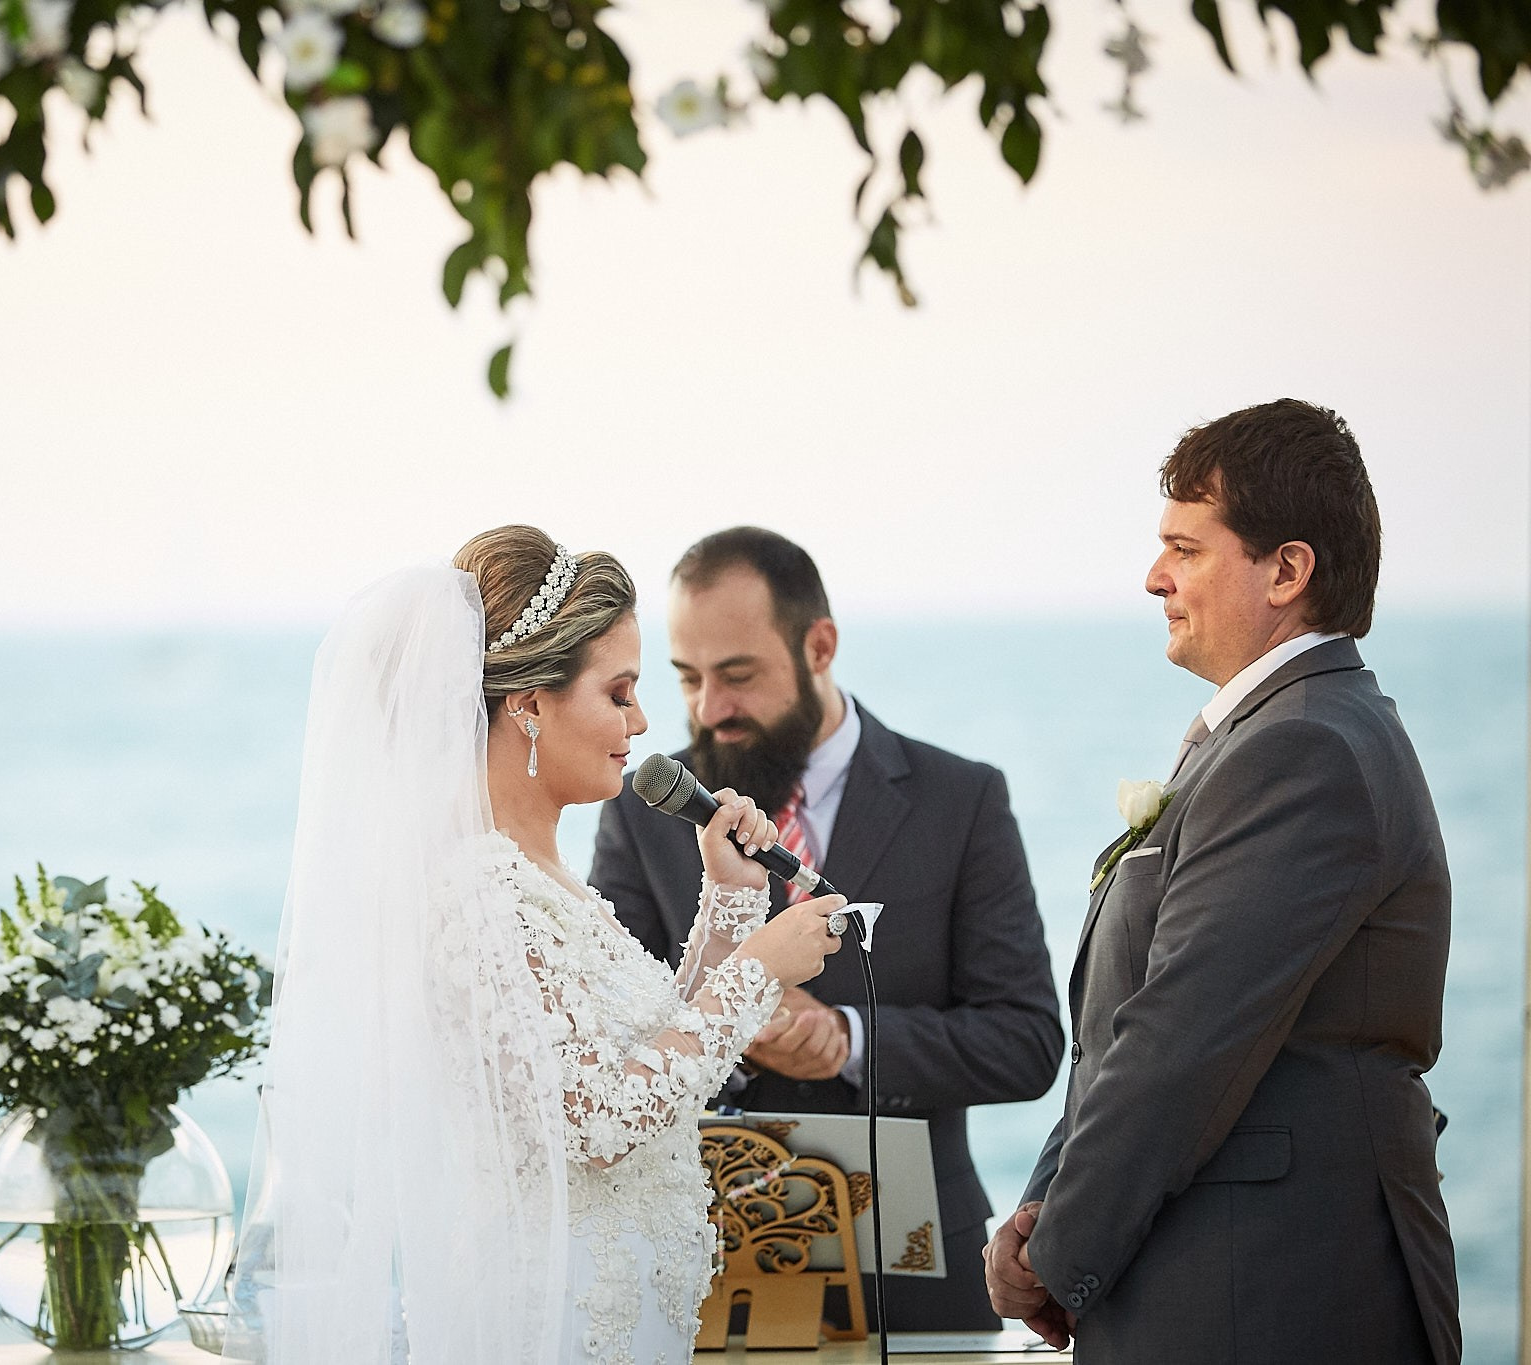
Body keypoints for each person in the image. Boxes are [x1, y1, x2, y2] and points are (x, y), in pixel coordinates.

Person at [231, 525, 848, 1365]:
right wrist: (756, 969)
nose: (641, 720)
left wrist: (732, 900)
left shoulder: (545, 877)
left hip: (631, 1313)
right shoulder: (471, 893)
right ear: (528, 703)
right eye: (619, 691)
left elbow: (657, 1061)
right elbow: (596, 1122)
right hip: (554, 1316)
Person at [985, 400, 1461, 1363]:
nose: (1155, 577)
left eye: (1186, 549)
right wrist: (1042, 1207)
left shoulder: (1306, 748)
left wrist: (1063, 1249)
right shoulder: (1267, 736)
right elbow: (1122, 1035)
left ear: (1287, 569)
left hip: (1272, 1297)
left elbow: (1182, 1041)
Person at [591, 526, 1063, 1330]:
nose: (711, 709)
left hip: (913, 1272)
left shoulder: (962, 799)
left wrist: (848, 1039)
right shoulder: (646, 811)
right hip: (704, 1271)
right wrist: (730, 1042)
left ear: (820, 645)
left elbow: (1027, 1041)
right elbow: (617, 1034)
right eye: (689, 678)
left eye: (738, 675)